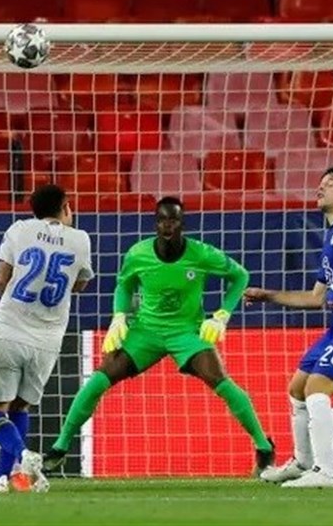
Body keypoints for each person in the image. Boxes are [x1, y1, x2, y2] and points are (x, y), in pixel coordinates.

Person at [42, 196, 275, 476]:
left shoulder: (201, 254)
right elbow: (124, 286)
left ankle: (263, 446)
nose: (167, 225)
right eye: (162, 219)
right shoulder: (138, 254)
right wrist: (119, 317)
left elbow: (240, 276)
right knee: (99, 379)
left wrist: (223, 314)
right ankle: (60, 447)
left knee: (221, 382)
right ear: (156, 223)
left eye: (173, 220)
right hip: (146, 332)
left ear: (182, 223)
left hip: (186, 332)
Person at [246, 167, 333, 488]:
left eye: (331, 184)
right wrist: (268, 295)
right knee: (298, 387)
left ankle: (327, 473)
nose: (321, 187)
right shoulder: (330, 239)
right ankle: (304, 462)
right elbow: (316, 298)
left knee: (317, 388)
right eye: (320, 182)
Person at [0, 184, 94, 494]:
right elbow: (80, 285)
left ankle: (22, 457)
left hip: (11, 329)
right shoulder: (81, 240)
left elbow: (1, 280)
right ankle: (2, 479)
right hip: (48, 339)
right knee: (20, 408)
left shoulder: (19, 230)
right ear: (66, 207)